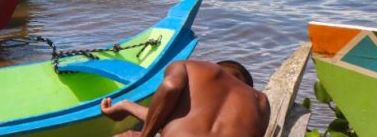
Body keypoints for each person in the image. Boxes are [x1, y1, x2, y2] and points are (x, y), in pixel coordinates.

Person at [100, 60, 269, 137]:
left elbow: (170, 87)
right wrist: (127, 106)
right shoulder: (260, 101)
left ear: (216, 66)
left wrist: (146, 135)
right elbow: (169, 119)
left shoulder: (193, 67)